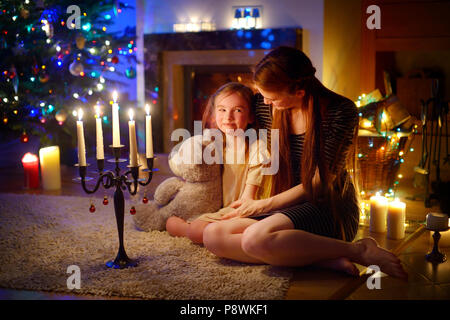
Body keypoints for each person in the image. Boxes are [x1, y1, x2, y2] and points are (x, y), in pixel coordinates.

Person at [202, 47, 408, 279]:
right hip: (283, 206)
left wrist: (263, 205)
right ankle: (320, 259)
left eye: (272, 97)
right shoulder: (264, 105)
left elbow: (320, 182)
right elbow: (233, 120)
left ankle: (359, 250)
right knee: (213, 235)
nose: (265, 102)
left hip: (326, 205)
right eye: (263, 94)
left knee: (254, 239)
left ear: (299, 92)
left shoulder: (340, 111)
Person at [166, 82, 271, 244]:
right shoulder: (214, 144)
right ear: (214, 114)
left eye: (238, 110)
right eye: (222, 110)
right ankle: (199, 231)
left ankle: (199, 232)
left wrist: (224, 218)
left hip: (243, 211)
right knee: (172, 222)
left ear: (250, 116)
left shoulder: (257, 147)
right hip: (215, 207)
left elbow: (248, 200)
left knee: (196, 230)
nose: (228, 117)